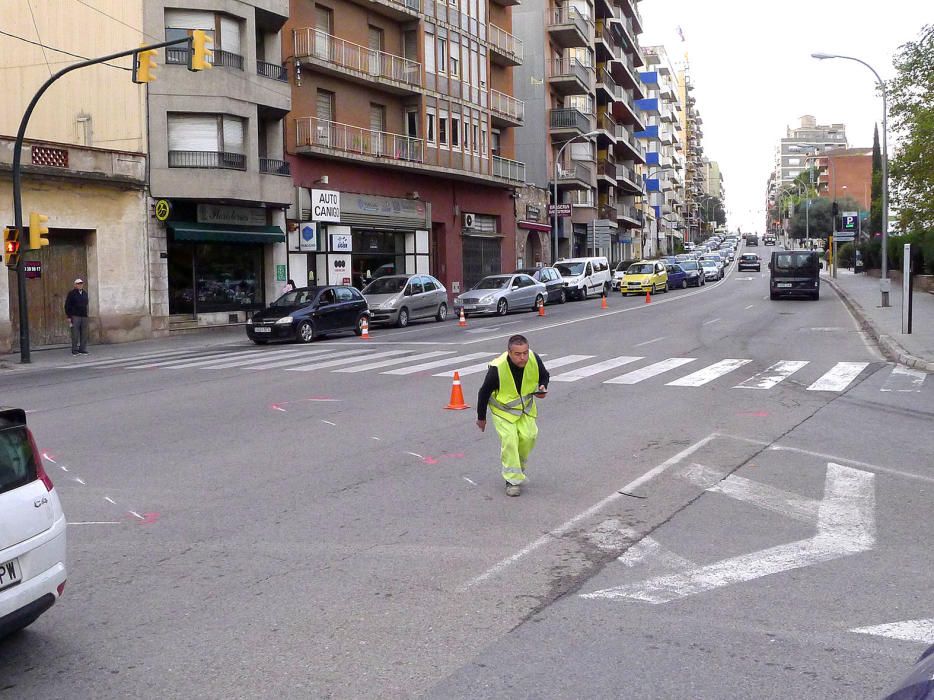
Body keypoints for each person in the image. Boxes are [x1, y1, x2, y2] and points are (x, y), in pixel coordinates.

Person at [476, 335, 549, 497]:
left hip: (525, 410)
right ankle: (512, 481)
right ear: (509, 352)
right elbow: (483, 392)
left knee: (529, 436)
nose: (522, 357)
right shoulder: (498, 368)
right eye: (517, 354)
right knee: (510, 440)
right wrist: (481, 418)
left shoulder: (533, 358)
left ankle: (518, 469)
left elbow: (544, 375)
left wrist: (543, 386)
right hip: (503, 411)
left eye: (525, 352)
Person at [64, 278, 89, 355]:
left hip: (84, 315)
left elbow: (86, 303)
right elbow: (67, 305)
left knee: (84, 333)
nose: (80, 285)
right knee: (75, 333)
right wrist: (69, 316)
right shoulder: (71, 293)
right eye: (78, 284)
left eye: (81, 283)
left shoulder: (84, 293)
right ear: (75, 285)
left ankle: (82, 349)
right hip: (75, 316)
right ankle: (74, 350)